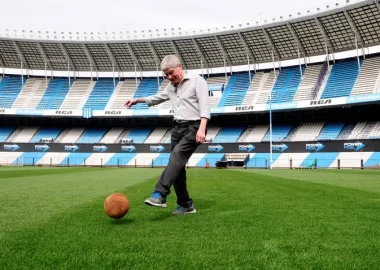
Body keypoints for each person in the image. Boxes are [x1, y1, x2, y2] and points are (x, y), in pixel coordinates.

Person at [125, 55, 210, 216]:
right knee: (178, 168)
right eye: (166, 75)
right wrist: (137, 100)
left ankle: (160, 194)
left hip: (195, 126)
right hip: (177, 128)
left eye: (171, 73)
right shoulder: (171, 87)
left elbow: (205, 107)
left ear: (180, 66)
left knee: (176, 156)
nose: (169, 77)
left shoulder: (197, 80)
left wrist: (202, 128)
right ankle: (186, 205)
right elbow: (157, 98)